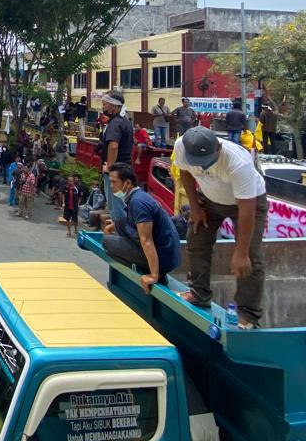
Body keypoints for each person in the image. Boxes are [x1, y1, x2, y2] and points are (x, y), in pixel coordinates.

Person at [173, 126, 267, 329]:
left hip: (246, 203)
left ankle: (248, 314)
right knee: (196, 238)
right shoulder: (181, 146)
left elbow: (247, 211)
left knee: (251, 256)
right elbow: (184, 172)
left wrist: (240, 252)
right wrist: (195, 207)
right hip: (209, 198)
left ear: (218, 147)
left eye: (208, 162)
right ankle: (199, 294)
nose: (204, 168)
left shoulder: (238, 163)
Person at [102, 163, 181, 293]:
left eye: (114, 182)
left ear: (127, 183)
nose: (111, 186)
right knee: (120, 223)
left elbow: (147, 240)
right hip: (166, 252)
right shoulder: (136, 197)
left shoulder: (138, 203)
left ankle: (152, 271)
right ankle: (152, 267)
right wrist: (115, 225)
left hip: (164, 257)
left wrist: (154, 275)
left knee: (107, 242)